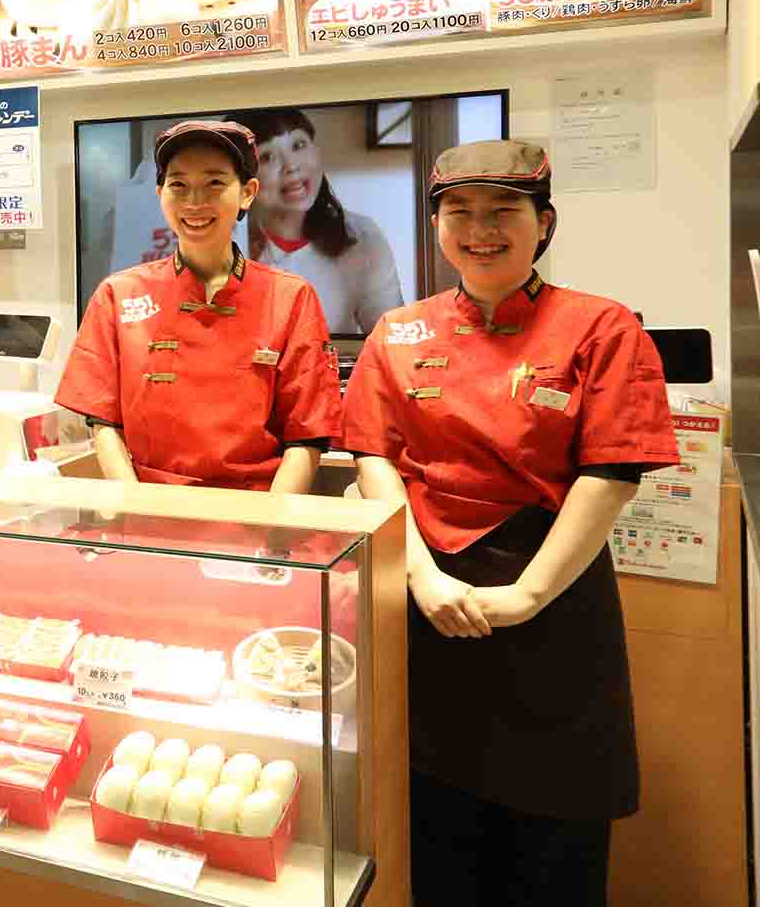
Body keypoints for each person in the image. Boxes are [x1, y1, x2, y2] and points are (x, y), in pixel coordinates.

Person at [340, 140, 679, 906]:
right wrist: (421, 576)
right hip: (427, 601)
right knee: (439, 840)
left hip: (553, 604)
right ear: (436, 227)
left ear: (544, 222)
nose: (480, 229)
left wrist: (527, 595)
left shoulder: (601, 327)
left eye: (503, 211)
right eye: (459, 212)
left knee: (556, 856)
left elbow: (611, 474)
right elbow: (373, 459)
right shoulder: (398, 332)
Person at [56, 120, 340, 492]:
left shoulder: (292, 298)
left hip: (257, 509)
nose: (194, 202)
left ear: (247, 193)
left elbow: (306, 435)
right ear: (160, 194)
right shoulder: (118, 295)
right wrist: (134, 509)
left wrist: (270, 520)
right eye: (178, 185)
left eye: (214, 183)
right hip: (150, 505)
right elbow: (104, 423)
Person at [226, 107, 403, 335]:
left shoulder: (362, 235)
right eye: (268, 157)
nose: (292, 166)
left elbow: (390, 338)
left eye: (298, 145)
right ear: (244, 180)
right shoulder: (222, 239)